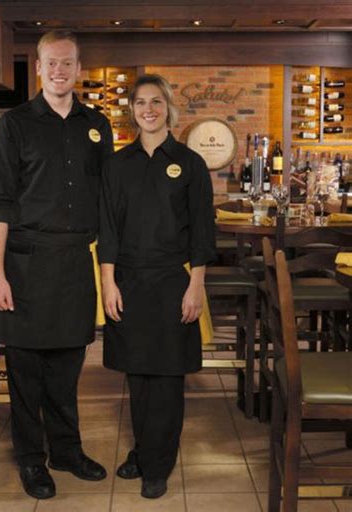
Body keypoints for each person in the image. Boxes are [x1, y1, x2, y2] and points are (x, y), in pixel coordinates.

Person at [0, 31, 113, 500]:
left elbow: (108, 200)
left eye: (68, 64)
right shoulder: (14, 124)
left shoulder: (97, 125)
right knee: (25, 372)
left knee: (68, 366)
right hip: (25, 263)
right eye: (51, 63)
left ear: (80, 69)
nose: (60, 71)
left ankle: (67, 451)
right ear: (38, 68)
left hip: (77, 261)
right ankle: (32, 460)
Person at [98, 74, 216, 499]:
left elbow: (203, 232)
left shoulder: (190, 163)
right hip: (128, 280)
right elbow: (107, 231)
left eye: (156, 102)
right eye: (140, 102)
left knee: (167, 377)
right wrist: (108, 284)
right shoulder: (117, 165)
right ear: (132, 110)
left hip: (172, 281)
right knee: (139, 374)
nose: (148, 109)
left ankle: (158, 465)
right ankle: (145, 451)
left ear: (168, 107)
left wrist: (195, 287)